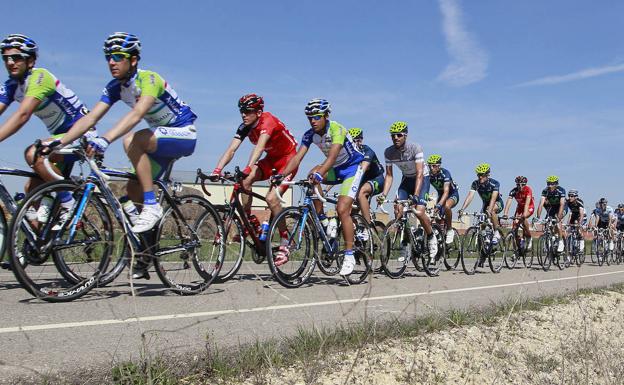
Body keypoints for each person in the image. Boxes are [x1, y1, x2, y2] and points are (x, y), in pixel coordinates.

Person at [57, 32, 198, 277]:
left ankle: (152, 207)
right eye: (108, 57)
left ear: (133, 60)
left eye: (117, 57)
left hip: (182, 133)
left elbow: (136, 115)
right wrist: (58, 143)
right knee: (134, 190)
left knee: (132, 139)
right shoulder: (114, 87)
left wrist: (105, 139)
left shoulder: (149, 79)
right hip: (159, 140)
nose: (111, 62)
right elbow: (90, 118)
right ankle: (147, 251)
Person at [0, 34, 95, 221]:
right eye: (6, 58)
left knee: (33, 153)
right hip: (59, 140)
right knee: (30, 196)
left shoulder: (40, 78)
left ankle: (69, 203)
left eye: (17, 57)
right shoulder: (12, 85)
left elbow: (22, 115)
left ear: (31, 60)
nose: (10, 62)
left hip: (81, 134)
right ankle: (38, 246)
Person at [274, 98, 364, 276]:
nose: (312, 120)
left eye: (316, 116)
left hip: (352, 168)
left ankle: (349, 254)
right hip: (335, 169)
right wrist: (281, 174)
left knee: (342, 208)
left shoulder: (337, 129)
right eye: (309, 117)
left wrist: (320, 173)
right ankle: (323, 219)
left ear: (326, 115)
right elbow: (297, 158)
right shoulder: (309, 135)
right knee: (311, 174)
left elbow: (331, 158)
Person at [210, 94, 298, 264]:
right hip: (272, 159)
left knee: (271, 198)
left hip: (288, 160)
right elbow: (231, 150)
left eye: (248, 111)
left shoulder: (268, 121)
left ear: (258, 112)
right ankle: (249, 222)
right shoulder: (245, 126)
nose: (244, 114)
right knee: (244, 182)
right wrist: (217, 169)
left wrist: (249, 167)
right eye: (242, 111)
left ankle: (286, 240)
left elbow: (259, 148)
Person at [376, 121, 437, 258]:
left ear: (405, 135)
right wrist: (384, 194)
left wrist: (415, 195)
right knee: (398, 210)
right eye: (393, 136)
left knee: (419, 212)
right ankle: (405, 243)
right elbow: (389, 176)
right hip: (407, 179)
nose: (396, 138)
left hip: (421, 178)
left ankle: (431, 237)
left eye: (399, 135)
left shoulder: (415, 148)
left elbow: (420, 174)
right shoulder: (389, 152)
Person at [458, 163, 504, 244]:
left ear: (487, 175)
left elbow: (493, 198)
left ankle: (497, 232)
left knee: (491, 210)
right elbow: (470, 196)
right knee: (481, 222)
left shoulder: (494, 183)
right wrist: (462, 209)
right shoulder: (475, 183)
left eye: (482, 175)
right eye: (478, 175)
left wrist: (489, 210)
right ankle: (485, 242)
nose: (480, 177)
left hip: (497, 203)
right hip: (485, 204)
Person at [347, 128, 384, 227]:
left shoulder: (367, 151)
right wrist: (325, 190)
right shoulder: (349, 154)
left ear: (361, 140)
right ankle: (357, 236)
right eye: (351, 141)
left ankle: (367, 227)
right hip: (362, 180)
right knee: (350, 210)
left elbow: (362, 169)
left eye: (356, 140)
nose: (354, 144)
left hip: (377, 178)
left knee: (361, 193)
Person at [426, 154, 459, 244]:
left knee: (446, 206)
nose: (431, 168)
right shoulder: (429, 175)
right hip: (441, 195)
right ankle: (440, 239)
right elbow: (425, 188)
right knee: (436, 218)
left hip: (452, 194)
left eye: (433, 166)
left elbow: (446, 192)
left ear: (438, 166)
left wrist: (439, 205)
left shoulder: (445, 173)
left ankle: (449, 229)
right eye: (429, 166)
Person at [502, 175, 534, 249]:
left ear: (525, 184)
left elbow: (527, 203)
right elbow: (509, 202)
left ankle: (529, 237)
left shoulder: (528, 190)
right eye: (518, 185)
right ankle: (517, 249)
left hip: (529, 207)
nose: (520, 186)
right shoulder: (514, 191)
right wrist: (505, 213)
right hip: (520, 208)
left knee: (524, 218)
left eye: (522, 184)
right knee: (514, 227)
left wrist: (524, 214)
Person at [536, 175, 566, 252]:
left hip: (561, 207)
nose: (550, 186)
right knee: (548, 221)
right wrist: (538, 217)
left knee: (557, 221)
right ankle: (552, 238)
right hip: (552, 207)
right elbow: (541, 204)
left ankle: (560, 241)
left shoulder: (561, 190)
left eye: (552, 184)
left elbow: (562, 204)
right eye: (548, 184)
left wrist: (559, 217)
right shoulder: (545, 191)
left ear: (556, 184)